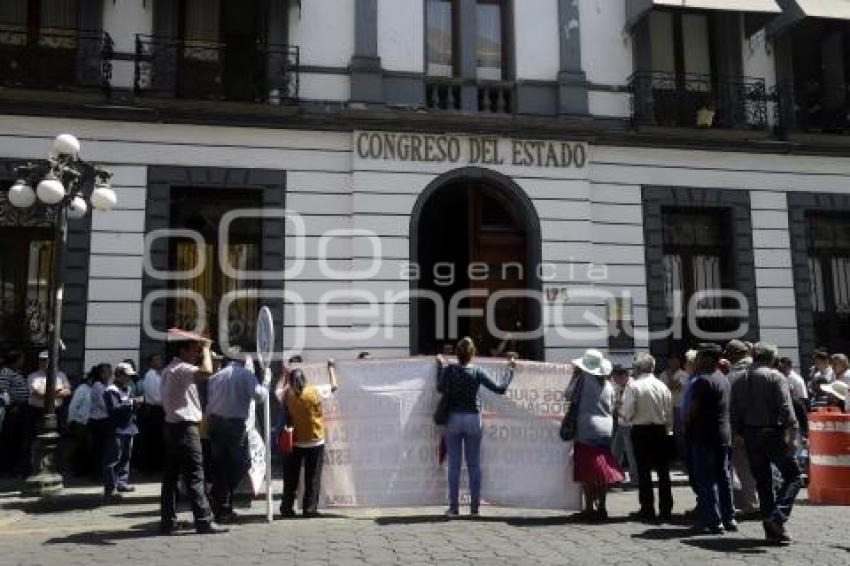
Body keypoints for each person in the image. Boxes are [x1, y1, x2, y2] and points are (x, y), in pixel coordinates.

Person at [731, 342, 802, 546]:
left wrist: (738, 433)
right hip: (772, 432)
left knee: (763, 482)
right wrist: (793, 434)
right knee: (794, 476)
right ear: (772, 359)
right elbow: (786, 408)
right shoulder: (775, 376)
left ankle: (772, 530)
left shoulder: (739, 378)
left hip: (750, 435)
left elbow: (733, 410)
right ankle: (777, 518)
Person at [435, 337, 514, 517]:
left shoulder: (449, 370)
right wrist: (510, 369)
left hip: (453, 418)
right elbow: (500, 388)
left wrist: (440, 367)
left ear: (457, 353)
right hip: (473, 419)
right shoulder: (477, 371)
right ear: (473, 353)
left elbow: (439, 389)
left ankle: (454, 508)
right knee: (474, 465)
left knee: (454, 465)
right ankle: (474, 508)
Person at [159, 333, 225, 535]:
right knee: (195, 476)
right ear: (182, 351)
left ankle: (168, 521)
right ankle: (204, 520)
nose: (197, 354)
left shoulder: (169, 369)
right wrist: (206, 347)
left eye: (198, 350)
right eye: (194, 349)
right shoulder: (182, 369)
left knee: (170, 478)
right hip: (185, 427)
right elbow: (207, 371)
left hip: (171, 426)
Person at [206, 354, 268, 523]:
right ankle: (219, 495)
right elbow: (259, 396)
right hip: (234, 424)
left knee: (221, 465)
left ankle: (222, 506)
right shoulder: (245, 375)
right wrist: (265, 384)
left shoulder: (217, 375)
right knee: (242, 462)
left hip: (216, 423)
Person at [687, 343, 736, 534]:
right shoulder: (723, 378)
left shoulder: (702, 381)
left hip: (705, 435)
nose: (697, 359)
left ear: (708, 358)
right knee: (723, 477)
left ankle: (713, 520)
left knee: (706, 479)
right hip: (723, 435)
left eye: (699, 356)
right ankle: (729, 517)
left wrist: (687, 421)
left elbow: (694, 410)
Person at [280, 360, 339, 518]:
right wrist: (331, 367)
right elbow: (334, 386)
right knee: (312, 477)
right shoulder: (314, 391)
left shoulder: (286, 394)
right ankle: (309, 509)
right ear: (304, 380)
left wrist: (284, 375)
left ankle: (286, 508)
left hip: (295, 441)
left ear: (291, 382)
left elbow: (276, 391)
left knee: (290, 477)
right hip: (315, 440)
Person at [571, 349, 624, 520]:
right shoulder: (608, 384)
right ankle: (602, 506)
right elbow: (613, 405)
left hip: (587, 428)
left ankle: (588, 508)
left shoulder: (583, 380)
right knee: (601, 470)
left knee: (587, 470)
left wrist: (574, 377)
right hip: (606, 428)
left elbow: (568, 395)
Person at [621, 352, 673, 521]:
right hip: (660, 430)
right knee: (663, 471)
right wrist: (668, 430)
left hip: (641, 431)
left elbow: (627, 412)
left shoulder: (633, 386)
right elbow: (669, 412)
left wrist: (623, 415)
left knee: (644, 471)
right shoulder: (662, 386)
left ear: (637, 368)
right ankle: (666, 509)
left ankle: (647, 508)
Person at [724, 340, 759, 519]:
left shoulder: (732, 375)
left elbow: (731, 407)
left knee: (744, 467)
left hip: (741, 429)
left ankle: (752, 504)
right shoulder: (763, 370)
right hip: (764, 427)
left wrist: (736, 431)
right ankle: (768, 502)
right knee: (763, 465)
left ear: (734, 355)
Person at [26, 351, 72, 474]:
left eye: (47, 360)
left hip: (58, 411)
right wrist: (58, 390)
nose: (44, 363)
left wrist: (49, 392)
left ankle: (58, 467)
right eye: (42, 360)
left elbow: (67, 392)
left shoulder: (61, 375)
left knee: (59, 439)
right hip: (38, 411)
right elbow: (39, 393)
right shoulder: (33, 376)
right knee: (37, 439)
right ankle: (35, 467)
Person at [103, 362, 141, 500]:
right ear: (119, 375)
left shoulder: (128, 388)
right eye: (127, 376)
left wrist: (135, 404)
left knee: (126, 457)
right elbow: (114, 408)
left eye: (130, 376)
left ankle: (121, 482)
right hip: (117, 428)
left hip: (129, 428)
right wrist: (131, 403)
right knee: (114, 459)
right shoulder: (111, 390)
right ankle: (110, 488)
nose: (129, 379)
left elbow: (130, 407)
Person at [0, 351, 29, 476]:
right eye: (21, 359)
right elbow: (2, 389)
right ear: (15, 360)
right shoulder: (6, 372)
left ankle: (12, 467)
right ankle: (5, 468)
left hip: (20, 410)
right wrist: (11, 405)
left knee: (16, 439)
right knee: (8, 439)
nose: (23, 362)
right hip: (11, 410)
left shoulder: (17, 372)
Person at [610, 364, 638, 487]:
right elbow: (615, 404)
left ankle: (635, 478)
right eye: (614, 379)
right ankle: (616, 475)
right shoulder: (619, 387)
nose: (615, 381)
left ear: (624, 376)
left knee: (630, 452)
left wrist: (618, 409)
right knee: (616, 449)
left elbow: (629, 407)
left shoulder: (632, 386)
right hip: (621, 423)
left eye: (616, 378)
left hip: (629, 424)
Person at [66, 367, 95, 477]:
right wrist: (70, 420)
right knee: (80, 447)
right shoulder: (82, 389)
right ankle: (76, 470)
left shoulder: (94, 389)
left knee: (88, 447)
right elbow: (73, 406)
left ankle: (85, 470)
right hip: (81, 423)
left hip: (91, 422)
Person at [660, 353, 688, 464]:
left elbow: (674, 386)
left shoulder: (684, 374)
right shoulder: (663, 374)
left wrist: (668, 376)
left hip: (679, 407)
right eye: (671, 361)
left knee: (679, 433)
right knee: (667, 432)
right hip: (666, 407)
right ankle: (671, 456)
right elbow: (662, 390)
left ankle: (682, 457)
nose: (673, 363)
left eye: (675, 360)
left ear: (679, 362)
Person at [140, 353, 165, 474]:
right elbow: (155, 397)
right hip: (154, 411)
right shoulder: (150, 376)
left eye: (160, 359)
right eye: (156, 360)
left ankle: (156, 465)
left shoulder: (159, 375)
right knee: (153, 440)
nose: (159, 362)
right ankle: (151, 467)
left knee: (158, 440)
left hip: (160, 410)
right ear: (151, 363)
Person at [88, 363, 112, 481]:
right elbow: (104, 404)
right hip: (99, 421)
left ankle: (99, 472)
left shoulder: (104, 385)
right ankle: (97, 474)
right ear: (101, 374)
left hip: (102, 420)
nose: (110, 373)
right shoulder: (98, 386)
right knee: (99, 448)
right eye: (107, 371)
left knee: (101, 448)